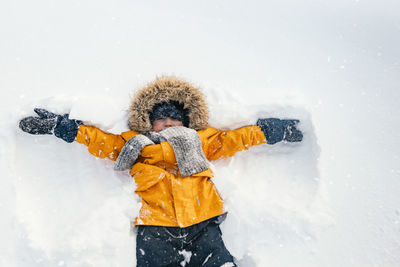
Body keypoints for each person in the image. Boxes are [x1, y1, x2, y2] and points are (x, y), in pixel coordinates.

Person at [19, 76, 303, 267]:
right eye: (161, 120)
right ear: (149, 124)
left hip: (202, 221)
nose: (168, 124)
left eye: (174, 119)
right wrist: (65, 128)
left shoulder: (200, 141)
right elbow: (101, 142)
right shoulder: (136, 145)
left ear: (186, 122)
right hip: (155, 227)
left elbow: (233, 140)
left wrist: (269, 131)